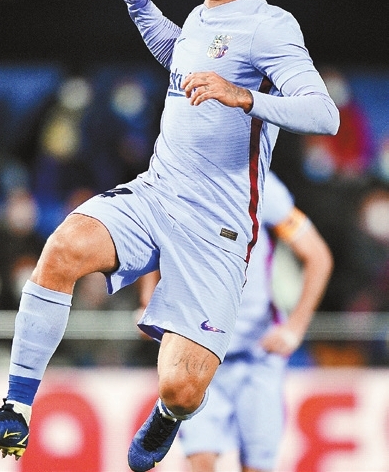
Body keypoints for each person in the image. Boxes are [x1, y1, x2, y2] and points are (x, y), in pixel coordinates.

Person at [0, 0, 339, 470]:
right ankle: (15, 410)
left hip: (216, 229)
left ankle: (167, 415)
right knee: (62, 249)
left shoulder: (270, 27)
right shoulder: (201, 18)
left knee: (182, 391)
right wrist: (136, 0)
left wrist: (244, 96)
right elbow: (177, 55)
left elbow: (323, 113)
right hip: (158, 193)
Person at [137, 170, 333, 472]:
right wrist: (147, 301)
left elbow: (317, 255)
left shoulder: (263, 187)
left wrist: (295, 328)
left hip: (257, 354)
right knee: (200, 461)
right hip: (201, 350)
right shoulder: (181, 176)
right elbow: (157, 240)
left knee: (256, 465)